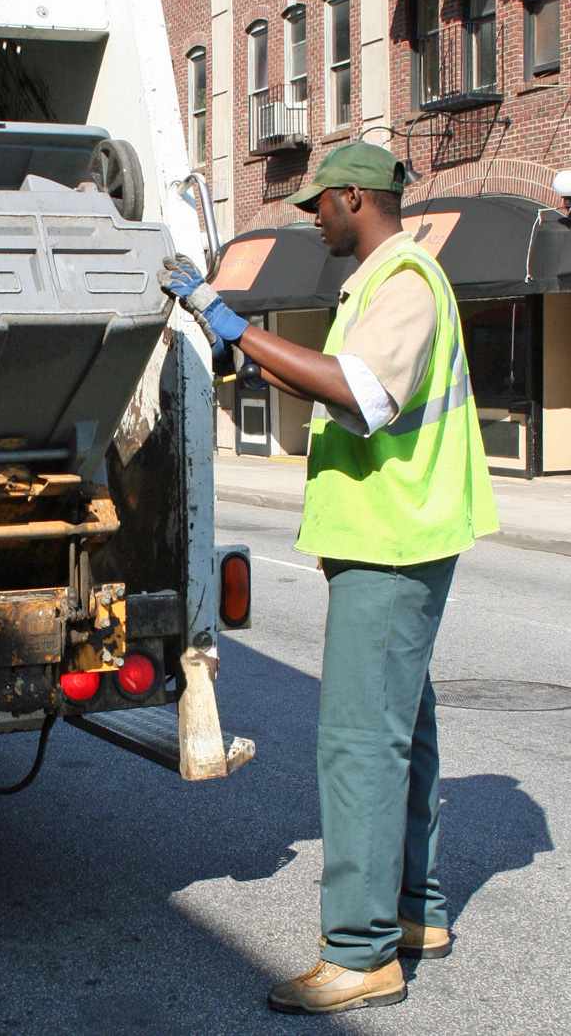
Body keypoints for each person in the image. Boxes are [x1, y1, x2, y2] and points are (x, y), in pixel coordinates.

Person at [158, 141, 499, 1016]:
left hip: (392, 545)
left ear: (355, 197)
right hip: (396, 538)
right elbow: (341, 390)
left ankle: (359, 953)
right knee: (401, 730)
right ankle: (414, 911)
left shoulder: (404, 282)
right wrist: (244, 343)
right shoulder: (382, 282)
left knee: (358, 744)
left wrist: (234, 324)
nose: (312, 218)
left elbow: (361, 395)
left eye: (318, 204)